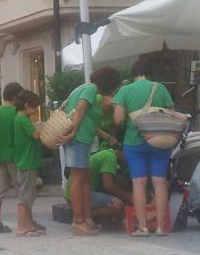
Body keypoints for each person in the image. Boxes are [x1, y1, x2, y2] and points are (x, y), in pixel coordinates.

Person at [113, 59, 174, 237]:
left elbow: (118, 120)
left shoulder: (125, 90)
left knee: (139, 183)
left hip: (134, 142)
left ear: (133, 73)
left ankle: (143, 227)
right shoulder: (160, 88)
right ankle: (161, 227)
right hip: (159, 141)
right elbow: (171, 113)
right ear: (150, 72)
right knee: (160, 182)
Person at [60, 66, 121, 236]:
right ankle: (78, 220)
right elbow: (81, 108)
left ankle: (87, 219)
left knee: (84, 179)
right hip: (77, 139)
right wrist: (74, 130)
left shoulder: (89, 91)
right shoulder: (90, 89)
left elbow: (89, 120)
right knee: (78, 179)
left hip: (83, 140)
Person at [0, 82, 24, 233]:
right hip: (14, 155)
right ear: (15, 97)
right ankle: (26, 221)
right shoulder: (16, 112)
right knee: (22, 188)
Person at [63, 148, 132, 228]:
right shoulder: (110, 157)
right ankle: (82, 215)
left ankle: (83, 214)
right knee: (117, 205)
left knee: (113, 198)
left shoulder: (104, 153)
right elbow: (108, 185)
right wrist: (127, 197)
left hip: (74, 193)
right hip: (79, 194)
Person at [13, 89, 44, 237]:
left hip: (26, 160)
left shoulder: (20, 118)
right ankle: (21, 226)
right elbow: (36, 134)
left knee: (28, 194)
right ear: (26, 105)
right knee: (25, 196)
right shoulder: (23, 119)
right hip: (27, 161)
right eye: (34, 107)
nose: (36, 110)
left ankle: (26, 224)